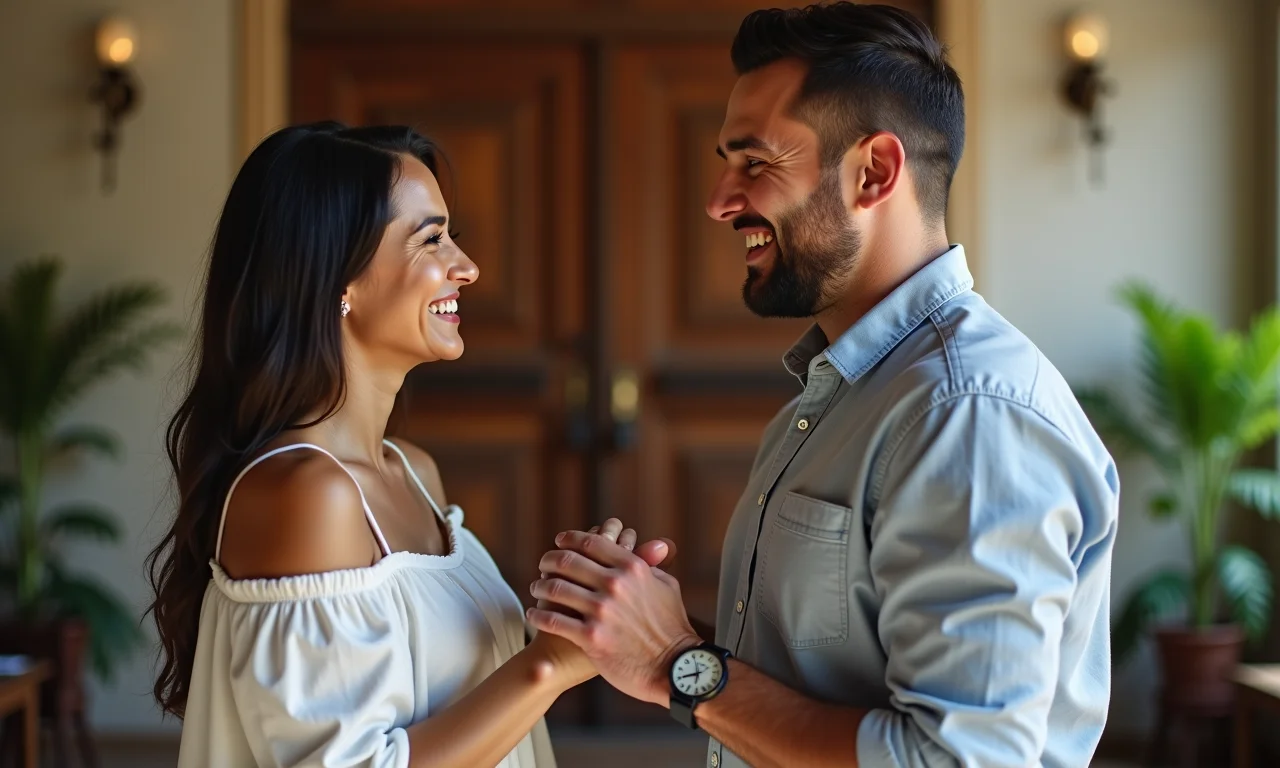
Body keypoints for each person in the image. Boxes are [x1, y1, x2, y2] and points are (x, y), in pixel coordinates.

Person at [528, 4, 1118, 767]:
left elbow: (955, 759)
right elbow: (828, 677)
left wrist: (678, 664)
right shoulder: (838, 395)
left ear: (874, 171)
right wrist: (641, 630)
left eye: (756, 162)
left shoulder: (967, 413)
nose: (718, 200)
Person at [144, 122, 670, 768]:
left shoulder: (412, 470)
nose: (467, 267)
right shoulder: (307, 497)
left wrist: (576, 611)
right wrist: (552, 667)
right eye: (431, 240)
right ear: (339, 277)